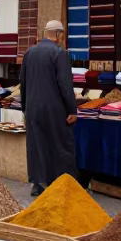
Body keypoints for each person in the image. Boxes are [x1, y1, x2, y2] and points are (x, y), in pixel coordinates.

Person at [20, 20, 78, 196]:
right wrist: (72, 110)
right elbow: (65, 85)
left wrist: (24, 108)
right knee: (61, 145)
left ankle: (38, 183)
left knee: (37, 145)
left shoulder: (29, 53)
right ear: (59, 35)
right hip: (54, 108)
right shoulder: (60, 53)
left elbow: (23, 83)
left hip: (32, 107)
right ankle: (63, 184)